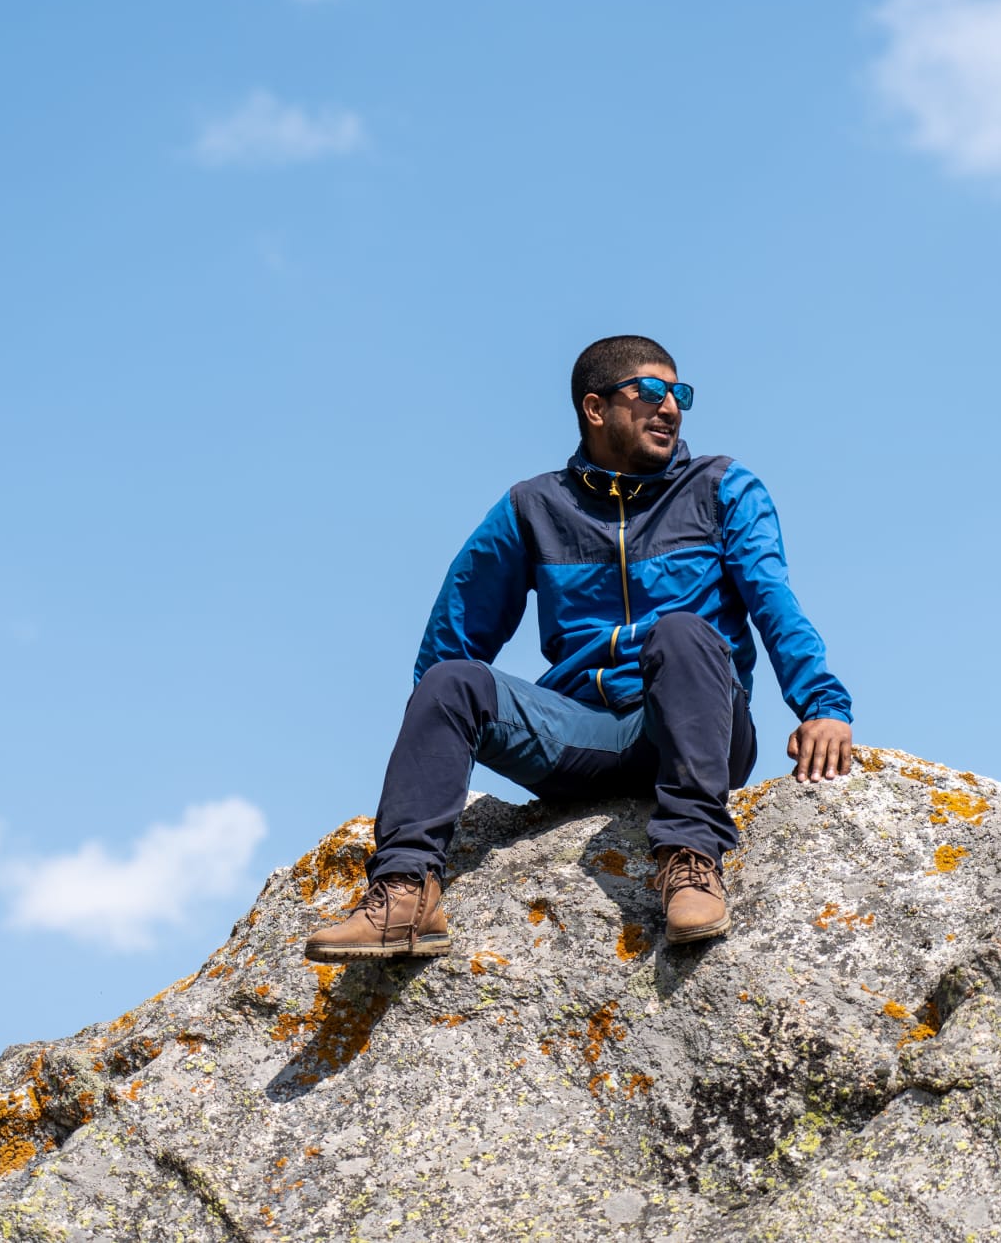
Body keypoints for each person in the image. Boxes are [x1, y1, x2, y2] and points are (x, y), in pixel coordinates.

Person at [304, 335, 853, 960]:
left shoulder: (722, 487)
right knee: (452, 678)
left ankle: (693, 860)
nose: (670, 407)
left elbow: (773, 600)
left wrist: (822, 706)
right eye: (649, 391)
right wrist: (435, 755)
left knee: (680, 631)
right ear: (595, 409)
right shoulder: (533, 507)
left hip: (696, 729)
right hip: (578, 738)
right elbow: (452, 639)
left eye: (680, 394)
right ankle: (405, 895)